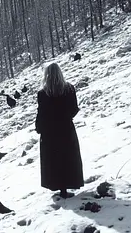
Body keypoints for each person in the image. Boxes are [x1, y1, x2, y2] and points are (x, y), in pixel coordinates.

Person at [35, 62, 84, 198]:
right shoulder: (69, 89)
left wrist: (39, 127)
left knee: (54, 159)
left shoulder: (43, 93)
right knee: (68, 157)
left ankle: (59, 187)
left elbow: (42, 113)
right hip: (66, 129)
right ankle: (68, 185)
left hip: (50, 132)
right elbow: (74, 109)